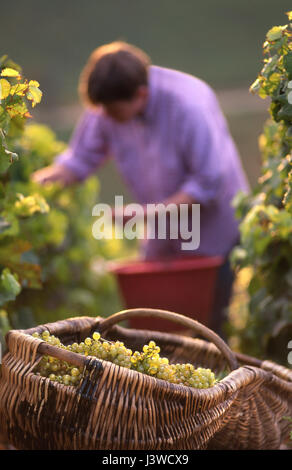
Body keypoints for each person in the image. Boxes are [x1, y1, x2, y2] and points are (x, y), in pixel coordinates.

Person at [32, 41, 249, 336]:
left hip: (212, 236)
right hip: (163, 235)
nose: (104, 119)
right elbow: (79, 159)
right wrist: (34, 185)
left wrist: (144, 216)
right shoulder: (110, 102)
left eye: (112, 112)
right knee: (160, 330)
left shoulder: (188, 104)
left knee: (209, 331)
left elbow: (208, 183)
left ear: (141, 95)